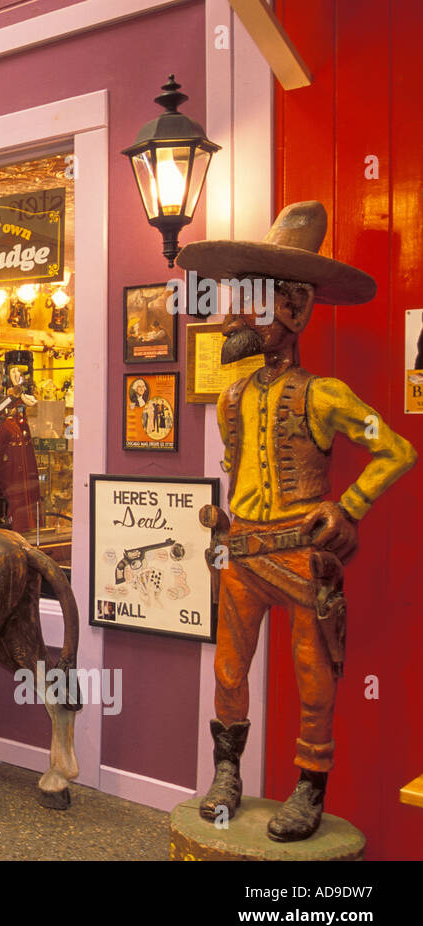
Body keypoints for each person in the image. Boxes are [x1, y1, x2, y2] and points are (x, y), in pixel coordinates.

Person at [180, 201, 417, 842]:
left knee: (314, 677)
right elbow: (238, 469)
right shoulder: (232, 397)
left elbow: (396, 448)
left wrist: (349, 507)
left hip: (300, 557)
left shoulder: (325, 394)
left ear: (293, 307)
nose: (233, 317)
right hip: (243, 553)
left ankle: (309, 786)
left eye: (251, 303)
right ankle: (226, 774)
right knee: (228, 670)